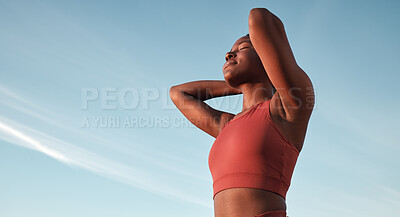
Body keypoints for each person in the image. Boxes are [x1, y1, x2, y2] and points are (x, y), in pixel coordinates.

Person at [170, 8, 314, 217]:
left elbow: (259, 18)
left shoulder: (287, 107)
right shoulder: (226, 124)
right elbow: (178, 93)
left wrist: (265, 75)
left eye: (243, 48)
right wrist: (241, 85)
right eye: (230, 51)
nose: (229, 54)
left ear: (266, 58)